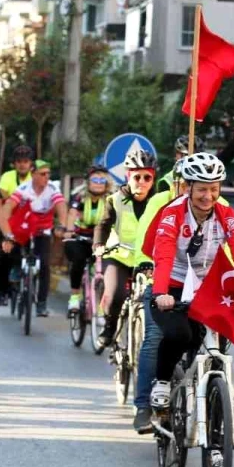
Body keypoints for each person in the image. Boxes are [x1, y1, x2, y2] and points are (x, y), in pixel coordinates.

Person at [146, 153, 234, 425]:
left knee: (212, 337)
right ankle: (162, 383)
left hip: (206, 288)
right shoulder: (172, 214)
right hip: (171, 286)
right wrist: (160, 293)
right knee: (179, 333)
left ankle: (208, 394)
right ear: (187, 187)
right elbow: (164, 254)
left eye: (214, 189)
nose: (208, 196)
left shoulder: (226, 216)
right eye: (202, 188)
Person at [93, 150, 157, 351]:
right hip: (118, 256)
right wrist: (98, 245)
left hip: (146, 260)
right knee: (115, 295)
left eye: (147, 177)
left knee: (157, 300)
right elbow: (102, 226)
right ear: (128, 176)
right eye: (137, 177)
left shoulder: (159, 202)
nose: (142, 182)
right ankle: (109, 329)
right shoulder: (115, 200)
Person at [4, 160, 66, 317]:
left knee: (44, 265)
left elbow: (61, 206)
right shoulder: (23, 189)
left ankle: (41, 304)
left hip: (42, 230)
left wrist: (62, 225)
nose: (47, 177)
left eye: (48, 174)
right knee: (14, 244)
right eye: (42, 174)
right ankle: (17, 268)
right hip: (24, 228)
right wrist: (5, 228)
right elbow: (9, 206)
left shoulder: (52, 188)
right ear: (33, 175)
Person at [156, 106, 234, 196]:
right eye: (183, 156)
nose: (187, 161)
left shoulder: (208, 172)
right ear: (176, 156)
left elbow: (229, 152)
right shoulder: (166, 182)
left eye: (192, 157)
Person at [62, 164, 111, 312]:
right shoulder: (79, 197)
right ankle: (75, 297)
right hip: (80, 237)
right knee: (78, 260)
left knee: (111, 267)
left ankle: (103, 305)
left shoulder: (111, 199)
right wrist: (69, 230)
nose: (98, 183)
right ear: (88, 182)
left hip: (102, 239)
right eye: (94, 179)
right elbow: (71, 214)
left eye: (102, 181)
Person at [0, 144, 35, 303]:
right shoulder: (7, 177)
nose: (22, 164)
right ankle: (1, 291)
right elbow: (1, 198)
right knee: (5, 255)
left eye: (25, 161)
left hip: (31, 223)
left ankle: (33, 285)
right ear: (14, 163)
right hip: (10, 223)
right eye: (19, 161)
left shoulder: (36, 177)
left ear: (31, 163)